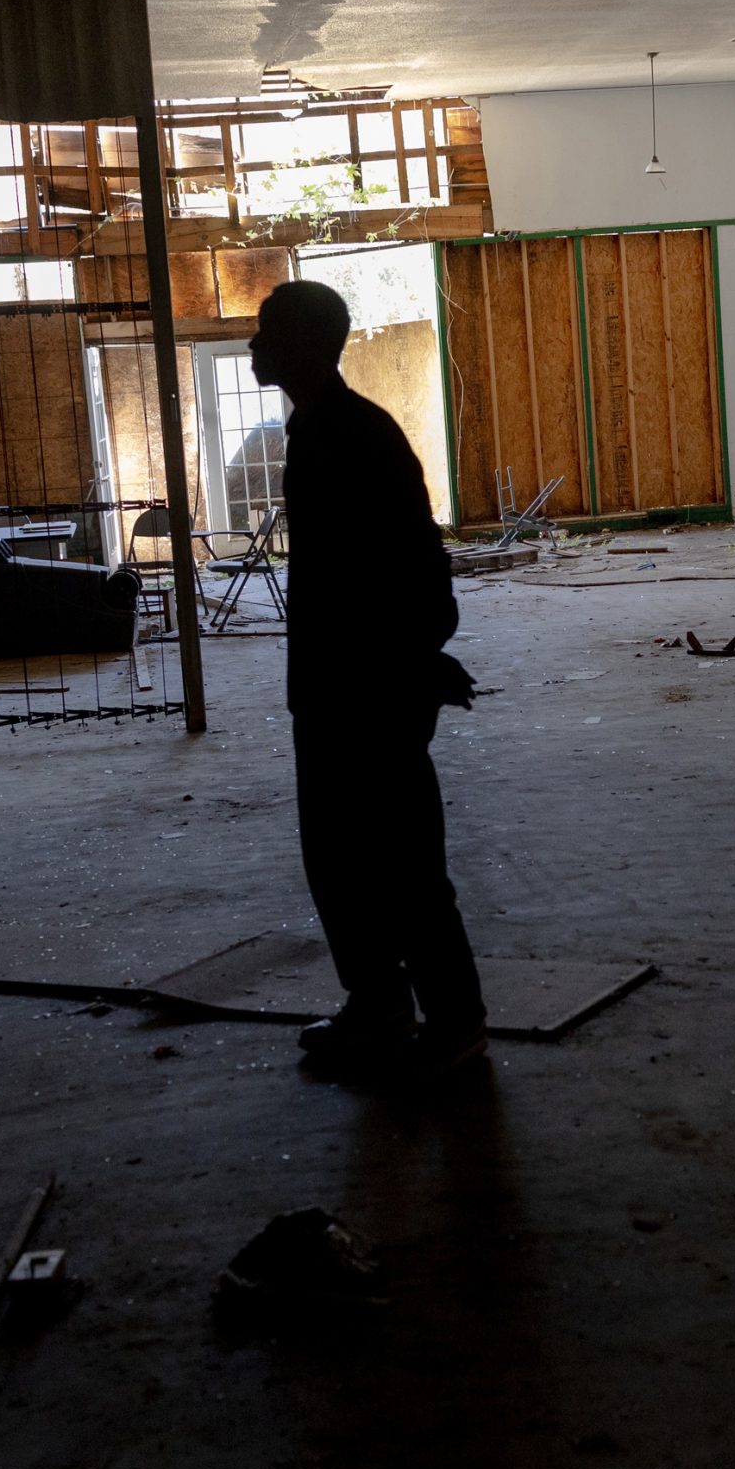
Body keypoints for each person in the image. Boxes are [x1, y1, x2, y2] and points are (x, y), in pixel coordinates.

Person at [244, 279, 488, 1080]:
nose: (253, 344)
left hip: (369, 693)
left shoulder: (350, 436)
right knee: (341, 861)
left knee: (402, 864)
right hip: (334, 688)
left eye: (267, 330)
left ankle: (454, 1022)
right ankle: (378, 1004)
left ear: (305, 345)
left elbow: (407, 569)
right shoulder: (321, 429)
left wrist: (413, 663)